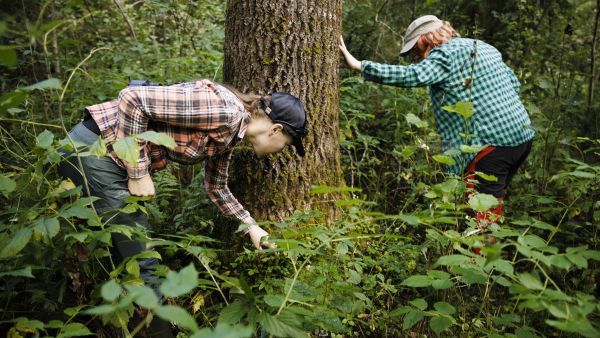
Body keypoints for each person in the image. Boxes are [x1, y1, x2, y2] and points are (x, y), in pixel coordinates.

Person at [58, 79, 307, 336]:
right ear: (276, 129)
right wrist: (138, 172)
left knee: (116, 257)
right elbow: (133, 99)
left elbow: (217, 188)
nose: (281, 151)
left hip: (101, 156)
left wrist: (252, 227)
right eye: (287, 145)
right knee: (144, 262)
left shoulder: (232, 133)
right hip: (93, 151)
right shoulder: (226, 112)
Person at [339, 15, 534, 225]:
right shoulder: (482, 46)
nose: (417, 56)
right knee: (492, 204)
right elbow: (514, 83)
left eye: (417, 48)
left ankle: (482, 255)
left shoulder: (444, 55)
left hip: (489, 145)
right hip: (521, 138)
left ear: (428, 38)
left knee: (481, 217)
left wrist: (360, 66)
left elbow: (412, 76)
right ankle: (491, 250)